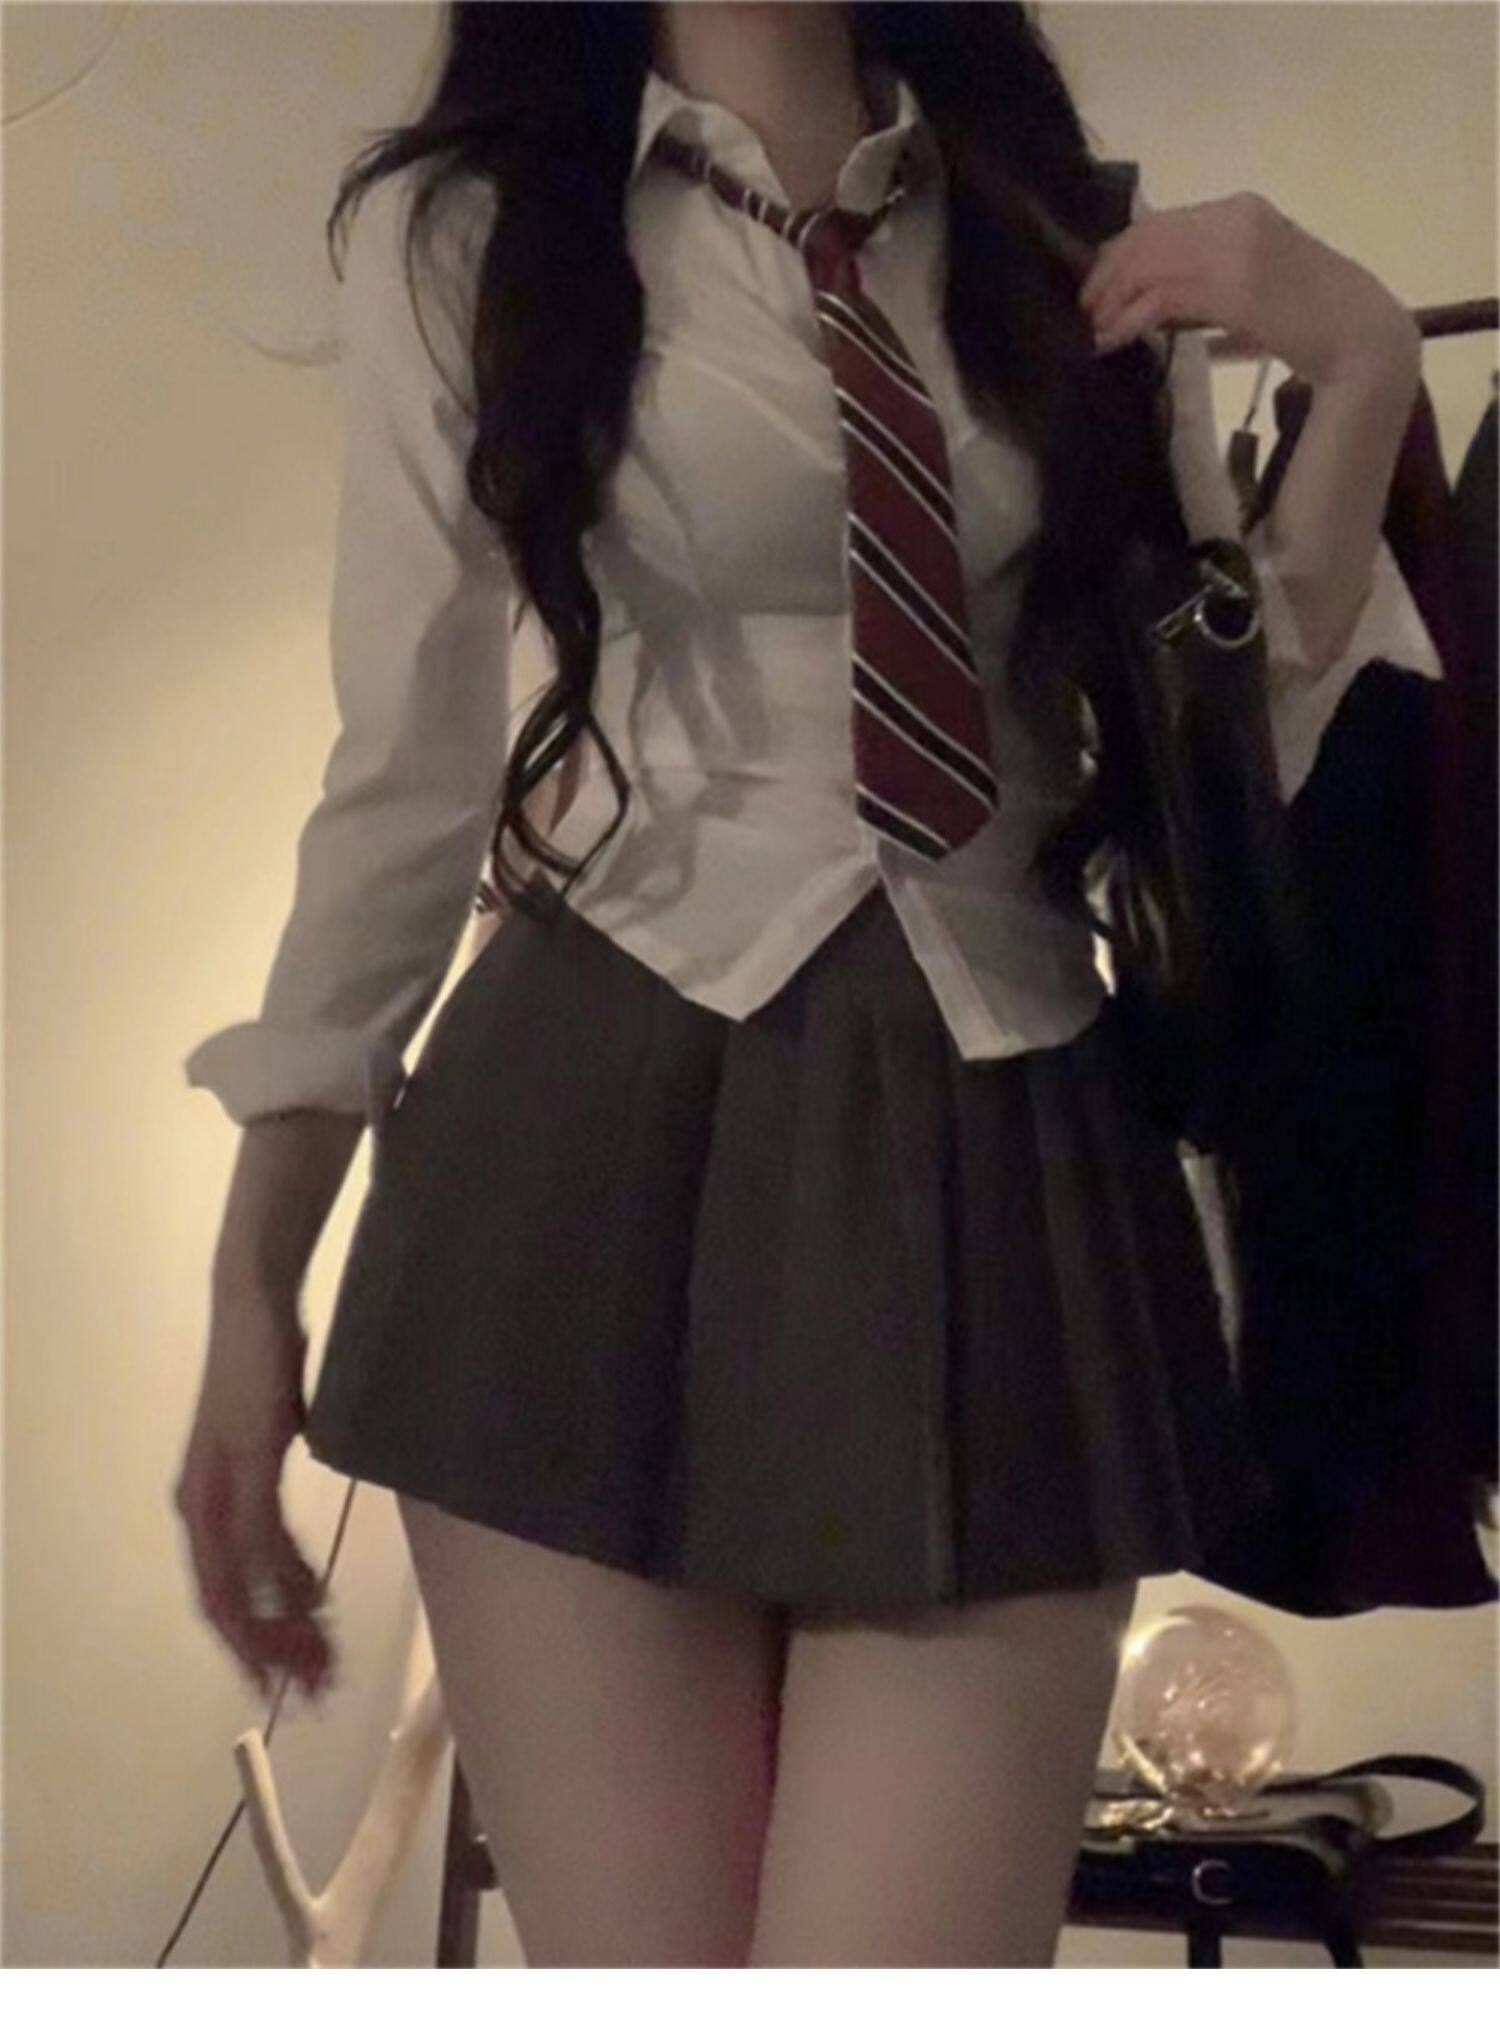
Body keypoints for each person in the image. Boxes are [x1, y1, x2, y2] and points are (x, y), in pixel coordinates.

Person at [173, 0, 1436, 1968]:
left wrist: (1358, 366)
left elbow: (1223, 746)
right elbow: (405, 780)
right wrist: (256, 1286)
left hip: (1005, 1144)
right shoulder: (478, 230)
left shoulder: (1052, 221)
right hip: (577, 1158)